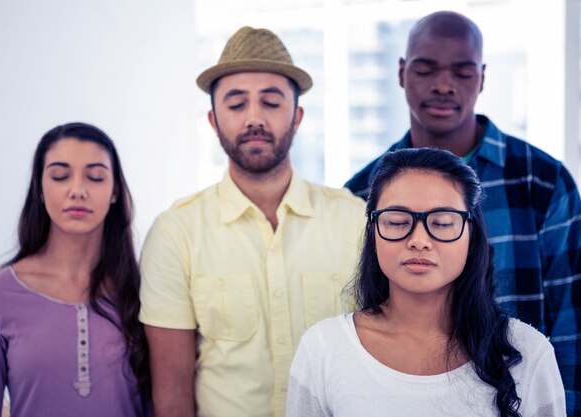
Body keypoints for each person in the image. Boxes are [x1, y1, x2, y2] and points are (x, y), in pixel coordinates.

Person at [344, 11, 581, 415]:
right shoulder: (363, 193)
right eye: (426, 68)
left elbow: (571, 318)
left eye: (462, 71)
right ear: (402, 73)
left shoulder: (541, 181)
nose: (442, 85)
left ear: (483, 77)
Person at [139, 26, 365, 417]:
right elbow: (173, 396)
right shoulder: (177, 232)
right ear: (213, 120)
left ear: (297, 117)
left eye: (271, 102)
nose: (254, 118)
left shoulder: (354, 220)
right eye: (236, 103)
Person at [287, 147, 566, 417]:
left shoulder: (527, 352)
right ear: (373, 233)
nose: (419, 241)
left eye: (442, 223)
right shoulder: (323, 349)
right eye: (397, 222)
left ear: (472, 236)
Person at [0, 123, 150, 417]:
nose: (77, 191)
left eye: (95, 177)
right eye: (60, 176)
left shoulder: (144, 291)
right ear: (39, 188)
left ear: (114, 192)